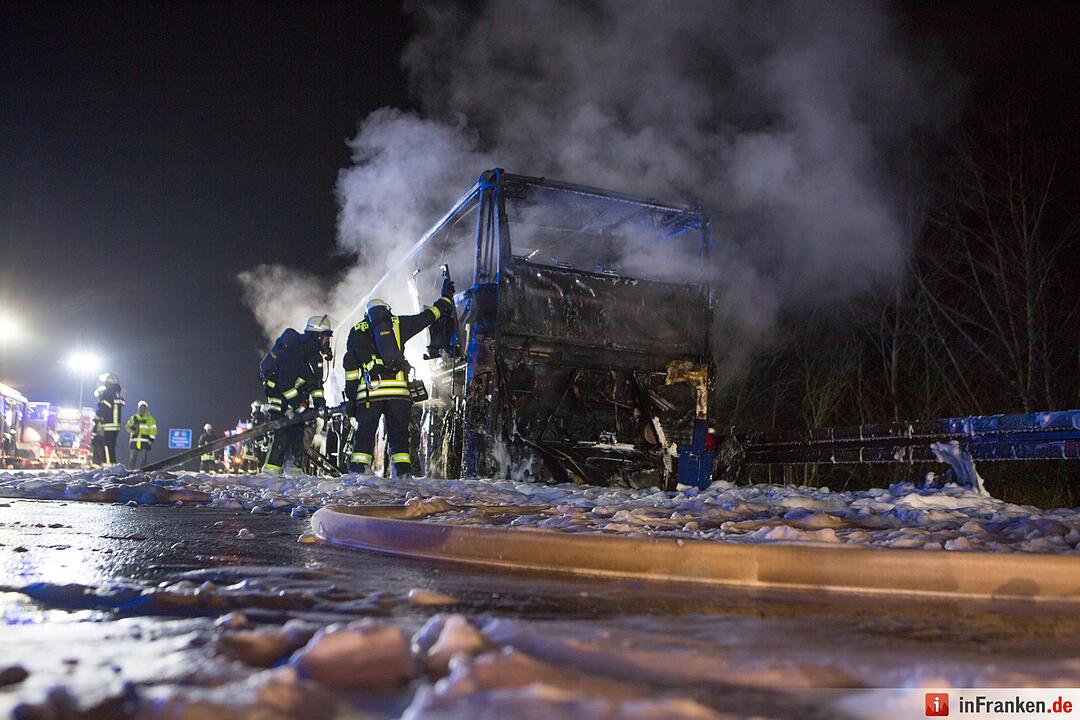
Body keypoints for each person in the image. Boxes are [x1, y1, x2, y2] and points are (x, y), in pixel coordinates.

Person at [343, 278, 454, 478]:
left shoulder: (357, 331)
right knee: (400, 440)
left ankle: (358, 477)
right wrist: (445, 300)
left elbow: (350, 368)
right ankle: (402, 477)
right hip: (399, 394)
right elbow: (427, 317)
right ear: (387, 311)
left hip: (370, 394)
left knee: (365, 439)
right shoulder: (398, 323)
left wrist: (352, 399)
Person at [260, 315, 333, 475]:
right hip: (280, 398)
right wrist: (300, 407)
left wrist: (320, 404)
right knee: (283, 433)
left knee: (298, 433)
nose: (327, 342)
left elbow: (316, 385)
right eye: (326, 338)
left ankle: (295, 471)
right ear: (317, 336)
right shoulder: (295, 350)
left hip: (295, 400)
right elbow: (285, 384)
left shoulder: (314, 356)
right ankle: (271, 473)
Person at [94, 372, 125, 466]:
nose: (105, 385)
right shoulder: (119, 393)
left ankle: (108, 467)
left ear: (109, 383)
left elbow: (103, 409)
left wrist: (97, 419)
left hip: (108, 423)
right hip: (116, 424)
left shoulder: (107, 393)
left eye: (106, 383)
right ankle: (112, 465)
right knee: (112, 447)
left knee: (106, 446)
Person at [125, 400, 157, 469]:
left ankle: (142, 472)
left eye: (144, 408)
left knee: (143, 459)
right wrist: (132, 427)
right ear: (138, 408)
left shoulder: (150, 419)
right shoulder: (134, 417)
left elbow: (153, 429)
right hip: (134, 440)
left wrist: (151, 439)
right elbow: (127, 427)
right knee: (132, 458)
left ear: (146, 409)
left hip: (145, 441)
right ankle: (130, 472)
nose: (142, 409)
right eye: (141, 408)